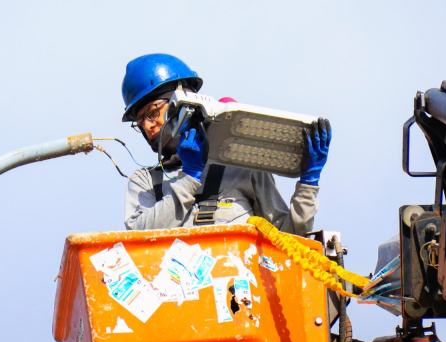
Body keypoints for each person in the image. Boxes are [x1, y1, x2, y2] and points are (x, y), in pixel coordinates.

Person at [121, 53, 331, 234]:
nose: (147, 126)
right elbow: (139, 241)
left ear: (180, 100)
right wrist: (189, 178)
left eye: (152, 113)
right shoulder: (144, 183)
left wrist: (308, 185)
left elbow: (288, 238)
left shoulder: (241, 164)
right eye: (139, 122)